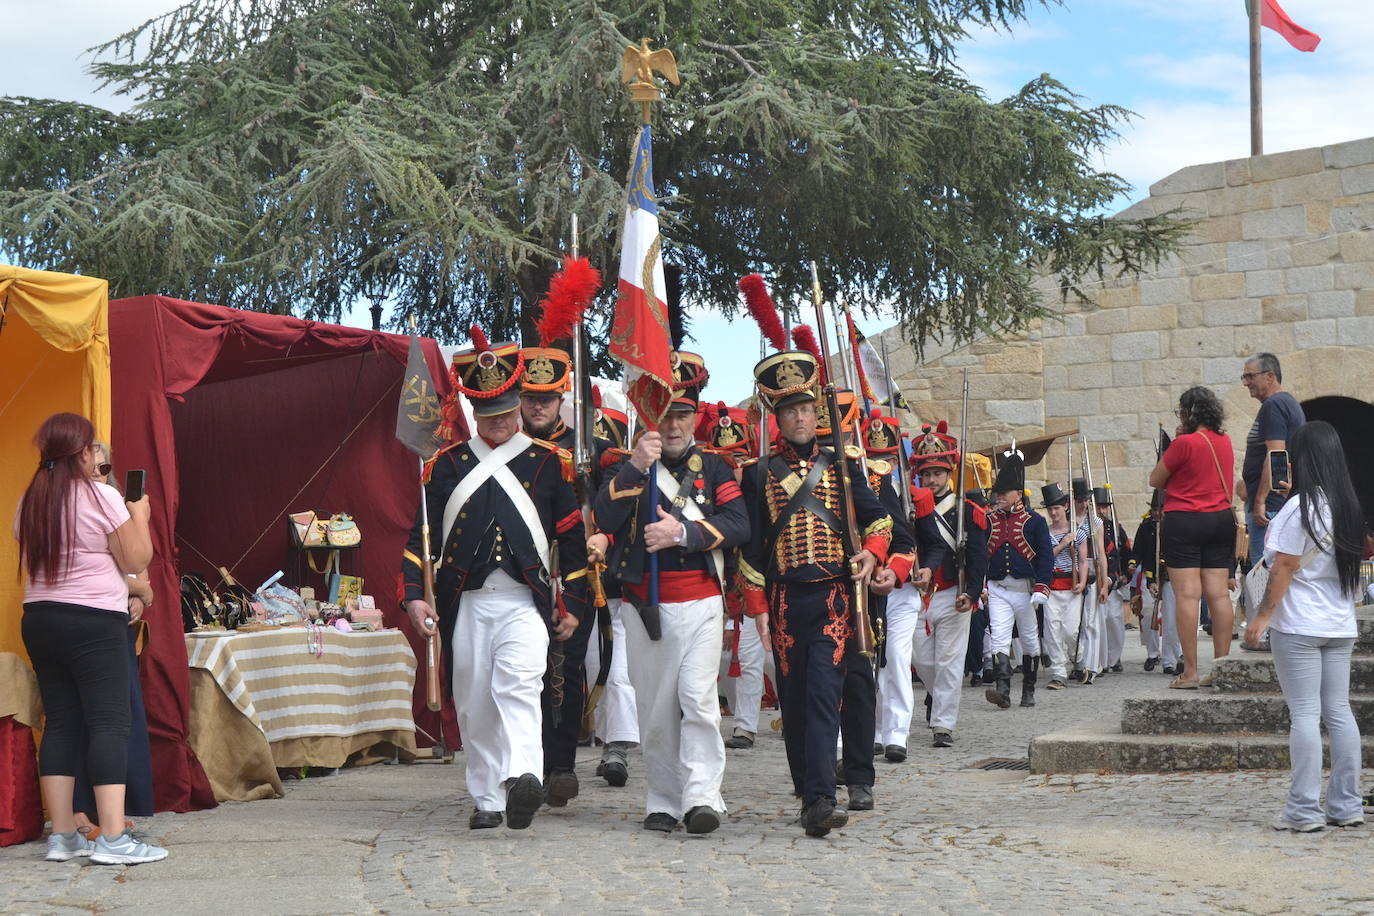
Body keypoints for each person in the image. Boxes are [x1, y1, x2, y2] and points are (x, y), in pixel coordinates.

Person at [402, 328, 589, 831]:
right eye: (491, 415)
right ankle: (487, 797)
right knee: (477, 699)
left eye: (508, 412)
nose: (502, 421)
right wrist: (416, 599)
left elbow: (570, 542)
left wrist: (569, 601)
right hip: (466, 603)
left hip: (525, 602)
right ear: (474, 411)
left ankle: (525, 775)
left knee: (521, 684)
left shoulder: (551, 463)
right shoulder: (445, 466)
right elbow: (417, 542)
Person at [738, 345, 893, 837]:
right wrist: (758, 607)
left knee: (826, 695)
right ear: (777, 418)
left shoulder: (843, 466)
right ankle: (808, 790)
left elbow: (881, 518)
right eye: (789, 411)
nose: (800, 418)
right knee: (795, 702)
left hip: (832, 597)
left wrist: (871, 552)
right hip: (784, 601)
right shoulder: (758, 473)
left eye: (805, 408)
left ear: (815, 411)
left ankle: (823, 799)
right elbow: (752, 547)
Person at [592, 351, 749, 834]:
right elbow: (605, 517)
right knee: (655, 710)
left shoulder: (716, 468)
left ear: (695, 416)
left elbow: (739, 524)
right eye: (664, 414)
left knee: (697, 699)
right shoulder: (627, 467)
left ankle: (703, 795)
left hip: (700, 600)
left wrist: (682, 534)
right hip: (646, 605)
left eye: (682, 414)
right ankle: (662, 797)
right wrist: (637, 466)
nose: (674, 424)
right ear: (648, 417)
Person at [15, 413, 167, 865]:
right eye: (95, 450)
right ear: (83, 453)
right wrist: (138, 514)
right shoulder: (100, 495)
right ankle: (114, 838)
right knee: (108, 723)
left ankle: (63, 837)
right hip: (92, 621)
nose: (98, 456)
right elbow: (137, 556)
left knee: (60, 722)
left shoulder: (31, 500)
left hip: (40, 617)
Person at [1244, 421, 1365, 832]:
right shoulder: (1347, 506)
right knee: (1340, 713)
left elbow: (1284, 567)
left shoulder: (1301, 507)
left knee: (1306, 714)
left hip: (1299, 624)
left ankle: (1303, 810)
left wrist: (1261, 616)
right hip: (1338, 622)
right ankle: (1346, 805)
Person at [517, 341, 591, 805]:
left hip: (572, 577)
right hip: (521, 580)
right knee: (524, 676)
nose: (538, 405)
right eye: (530, 396)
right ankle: (524, 765)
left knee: (564, 673)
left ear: (561, 397)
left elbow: (616, 500)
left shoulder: (586, 448)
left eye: (546, 397)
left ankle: (559, 766)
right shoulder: (507, 448)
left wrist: (602, 532)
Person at [71, 443, 156, 841]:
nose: (99, 473)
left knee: (120, 719)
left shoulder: (113, 506)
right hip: (92, 619)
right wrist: (139, 589)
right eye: (92, 464)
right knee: (90, 721)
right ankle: (88, 816)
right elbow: (124, 569)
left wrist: (140, 595)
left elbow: (140, 575)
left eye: (105, 466)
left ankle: (116, 811)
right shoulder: (86, 508)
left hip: (115, 624)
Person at [833, 406, 914, 810]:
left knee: (861, 682)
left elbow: (903, 542)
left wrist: (893, 573)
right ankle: (825, 763)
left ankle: (857, 765)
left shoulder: (875, 481)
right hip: (809, 595)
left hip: (862, 599)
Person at [891, 424, 988, 748]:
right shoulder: (910, 508)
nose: (931, 480)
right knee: (924, 662)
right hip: (917, 596)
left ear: (949, 473)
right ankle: (940, 700)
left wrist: (971, 593)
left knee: (949, 663)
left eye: (937, 473)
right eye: (926, 473)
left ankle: (943, 724)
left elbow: (978, 558)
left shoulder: (967, 512)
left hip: (951, 594)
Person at [1149, 386, 1238, 689]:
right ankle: (1222, 668)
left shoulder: (1184, 443)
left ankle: (1190, 672)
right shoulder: (1224, 441)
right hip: (1221, 519)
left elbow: (1155, 479)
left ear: (1188, 413)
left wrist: (1175, 442)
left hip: (1186, 520)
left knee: (1188, 595)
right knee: (1219, 594)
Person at [982, 451, 1052, 708]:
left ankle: (1029, 690)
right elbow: (980, 555)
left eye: (1004, 493)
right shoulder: (988, 521)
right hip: (998, 587)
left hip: (1025, 589)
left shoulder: (1034, 522)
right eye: (998, 493)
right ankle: (1003, 689)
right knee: (999, 636)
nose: (999, 497)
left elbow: (1045, 556)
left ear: (1018, 495)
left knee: (1029, 639)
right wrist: (980, 585)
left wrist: (1043, 586)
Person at [1239, 353, 1305, 569]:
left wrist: (1260, 501)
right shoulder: (1285, 403)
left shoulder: (1274, 405)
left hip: (1271, 507)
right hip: (1278, 504)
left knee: (1264, 571)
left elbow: (1275, 455)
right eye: (1244, 377)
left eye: (1250, 376)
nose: (1246, 382)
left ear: (1269, 376)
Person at [1039, 483, 1083, 690]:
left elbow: (1083, 560)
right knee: (1052, 630)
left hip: (1072, 586)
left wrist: (1082, 581)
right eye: (1050, 509)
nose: (1053, 512)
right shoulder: (1044, 533)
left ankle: (1078, 658)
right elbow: (1045, 558)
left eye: (1056, 508)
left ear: (1065, 507)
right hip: (1051, 587)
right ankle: (1058, 672)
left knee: (1071, 630)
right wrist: (1064, 543)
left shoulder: (1078, 532)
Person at [1070, 479, 1110, 684]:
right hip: (1070, 571)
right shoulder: (1067, 521)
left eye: (1086, 500)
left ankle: (1091, 665)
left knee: (1091, 621)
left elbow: (1101, 554)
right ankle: (1077, 662)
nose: (1084, 504)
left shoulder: (1095, 522)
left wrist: (1104, 583)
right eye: (1080, 500)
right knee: (1072, 623)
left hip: (1092, 569)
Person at [1095, 487, 1132, 674]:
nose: (1102, 510)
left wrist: (1126, 573)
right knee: (1098, 623)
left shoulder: (1116, 529)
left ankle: (1114, 657)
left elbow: (1125, 552)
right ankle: (1100, 660)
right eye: (1098, 507)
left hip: (1115, 581)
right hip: (1095, 582)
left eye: (1104, 507)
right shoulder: (1090, 526)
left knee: (1115, 622)